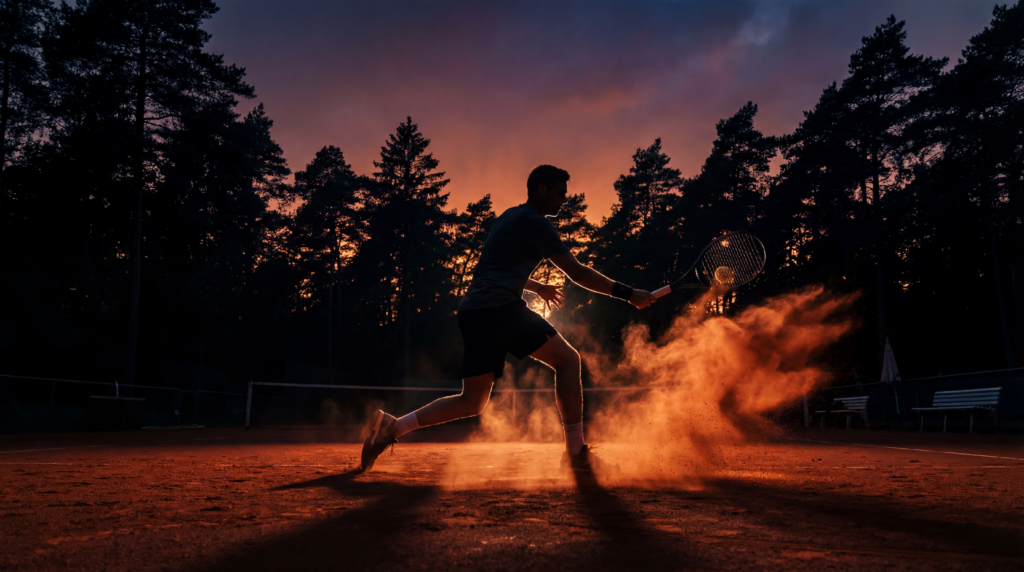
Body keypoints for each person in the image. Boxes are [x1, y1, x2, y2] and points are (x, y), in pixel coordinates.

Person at [361, 165, 656, 473]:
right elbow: (577, 272)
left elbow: (492, 269)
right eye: (560, 192)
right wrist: (628, 293)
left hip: (473, 311)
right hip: (499, 309)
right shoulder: (537, 222)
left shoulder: (508, 218)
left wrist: (537, 287)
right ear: (541, 189)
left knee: (472, 402)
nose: (564, 199)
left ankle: (392, 427)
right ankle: (575, 455)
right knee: (568, 361)